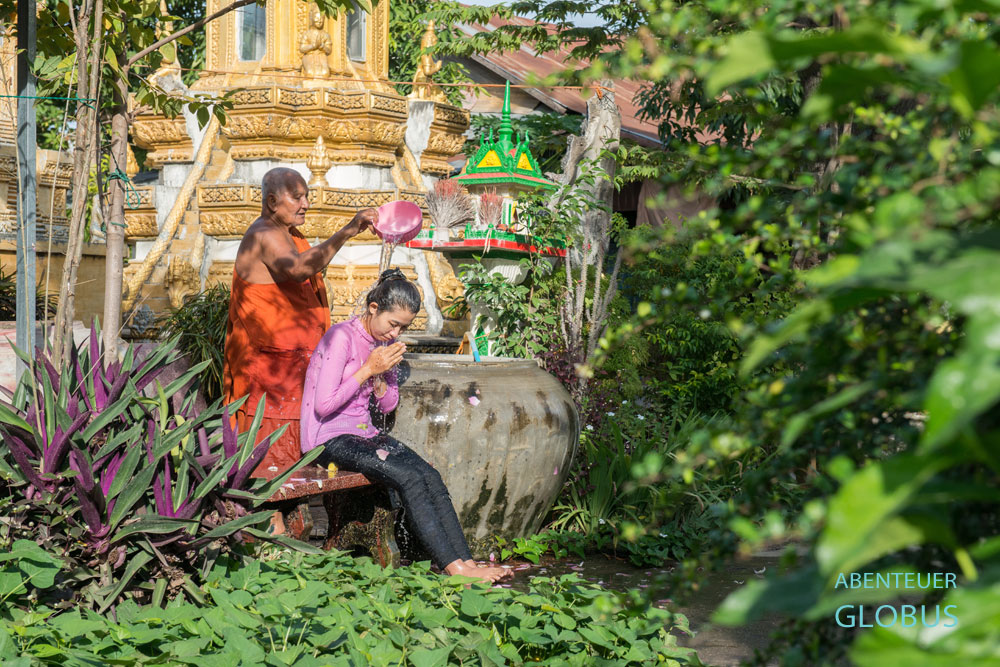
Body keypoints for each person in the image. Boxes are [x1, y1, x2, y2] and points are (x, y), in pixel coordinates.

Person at [301, 270, 511, 583]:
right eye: (393, 323)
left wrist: (382, 376)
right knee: (410, 479)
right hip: (327, 438)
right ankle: (454, 569)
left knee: (429, 474)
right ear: (373, 308)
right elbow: (324, 405)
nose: (395, 332)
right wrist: (368, 368)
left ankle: (467, 561)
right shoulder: (341, 337)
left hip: (363, 435)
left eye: (404, 326)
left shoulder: (386, 346)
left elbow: (386, 406)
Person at [223, 166, 376, 488]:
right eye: (297, 197)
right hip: (271, 376)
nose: (305, 204)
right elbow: (298, 270)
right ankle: (264, 529)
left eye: (307, 196)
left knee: (299, 462)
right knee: (271, 465)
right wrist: (347, 230)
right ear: (272, 201)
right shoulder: (264, 234)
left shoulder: (288, 234)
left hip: (294, 370)